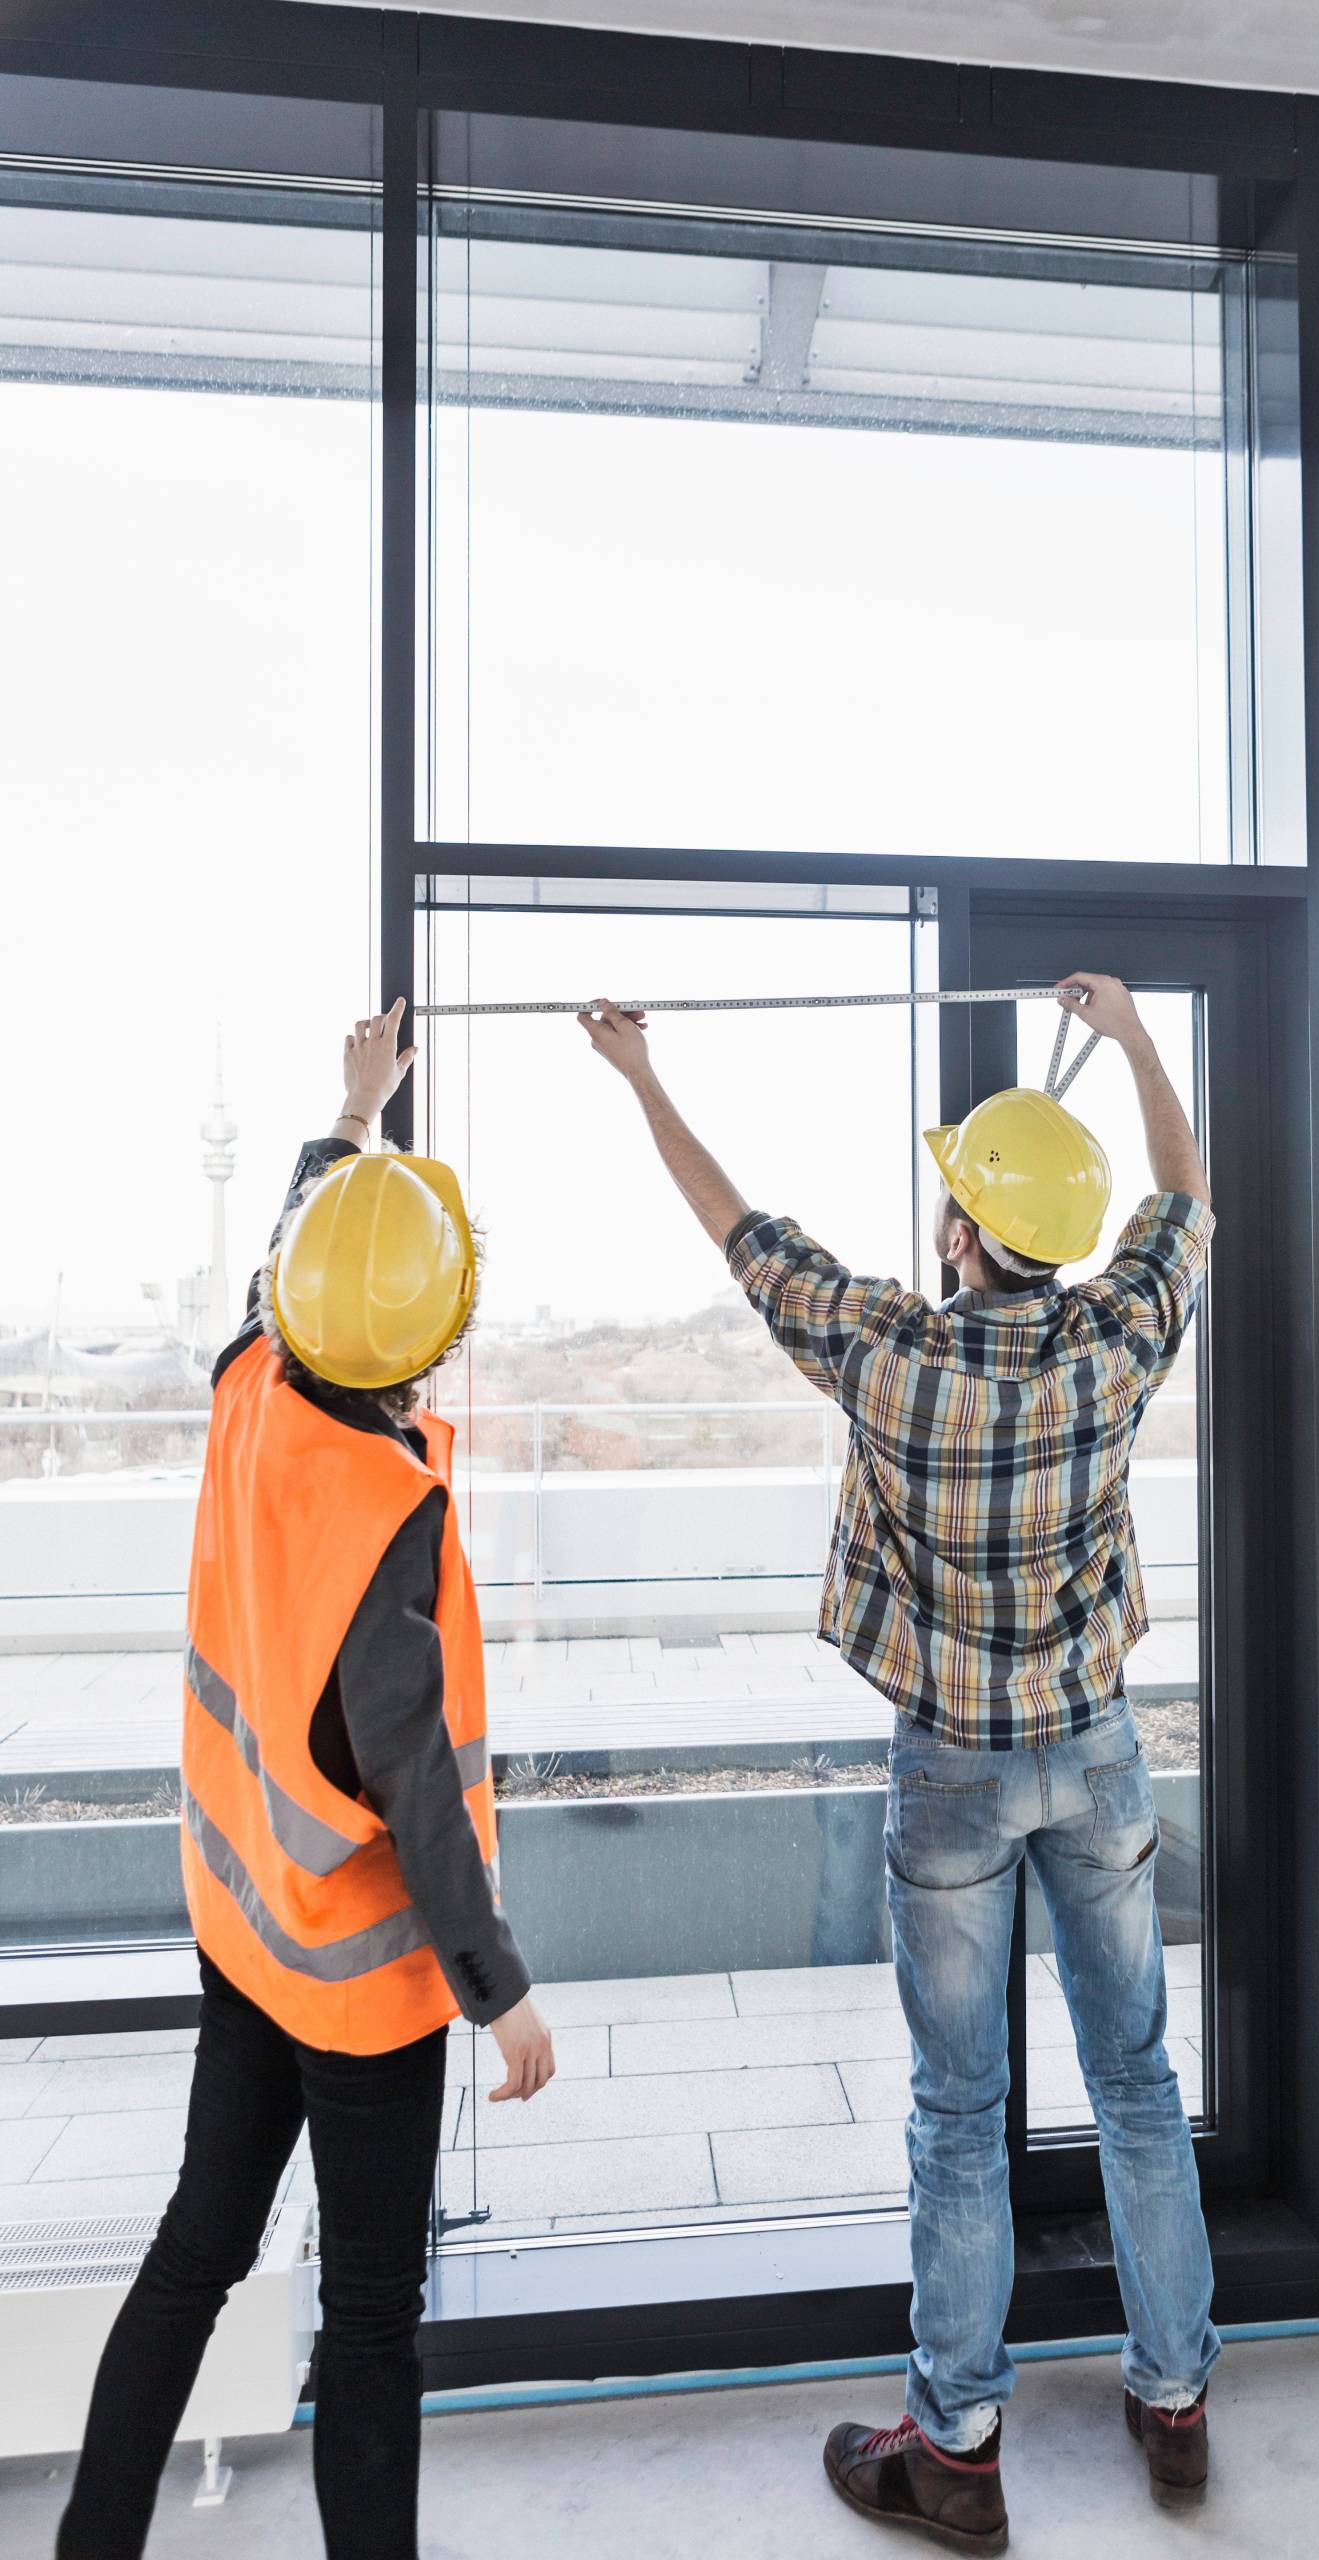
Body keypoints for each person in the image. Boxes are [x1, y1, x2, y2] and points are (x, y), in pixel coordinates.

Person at [581, 972, 1218, 2548]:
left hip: (948, 1768)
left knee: (957, 2105)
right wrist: (1137, 1035)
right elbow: (1187, 1197)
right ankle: (1177, 2397)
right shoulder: (1118, 1347)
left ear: (962, 1233)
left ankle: (958, 2447)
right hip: (1095, 1751)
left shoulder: (890, 1356)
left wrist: (640, 1076)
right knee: (1137, 2076)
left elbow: (746, 1238)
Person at [58, 1002, 555, 2560]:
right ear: (432, 1343)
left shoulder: (249, 1390)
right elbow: (416, 1782)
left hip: (242, 1926)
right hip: (357, 1987)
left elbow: (298, 1255)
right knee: (370, 2328)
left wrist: (352, 1113)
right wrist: (502, 1990)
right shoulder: (386, 1508)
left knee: (197, 2247)